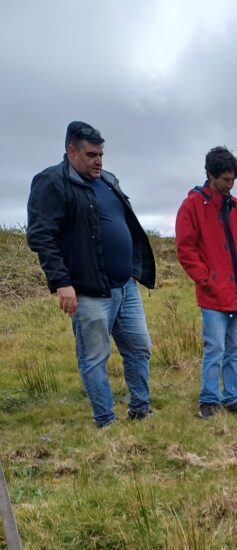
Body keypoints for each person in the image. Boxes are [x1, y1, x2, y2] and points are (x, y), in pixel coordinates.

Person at [26, 121, 156, 428]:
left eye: (100, 155)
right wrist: (61, 282)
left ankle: (141, 409)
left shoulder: (108, 180)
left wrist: (132, 268)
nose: (98, 161)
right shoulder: (52, 182)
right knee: (95, 357)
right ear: (71, 152)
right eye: (91, 155)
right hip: (89, 290)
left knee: (140, 348)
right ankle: (105, 420)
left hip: (125, 286)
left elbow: (125, 224)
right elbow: (42, 236)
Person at [176, 146, 237, 418]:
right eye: (225, 179)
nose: (230, 185)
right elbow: (185, 249)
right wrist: (206, 279)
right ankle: (209, 400)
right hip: (213, 295)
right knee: (216, 349)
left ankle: (232, 398)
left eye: (233, 179)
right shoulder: (192, 206)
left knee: (235, 349)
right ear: (210, 175)